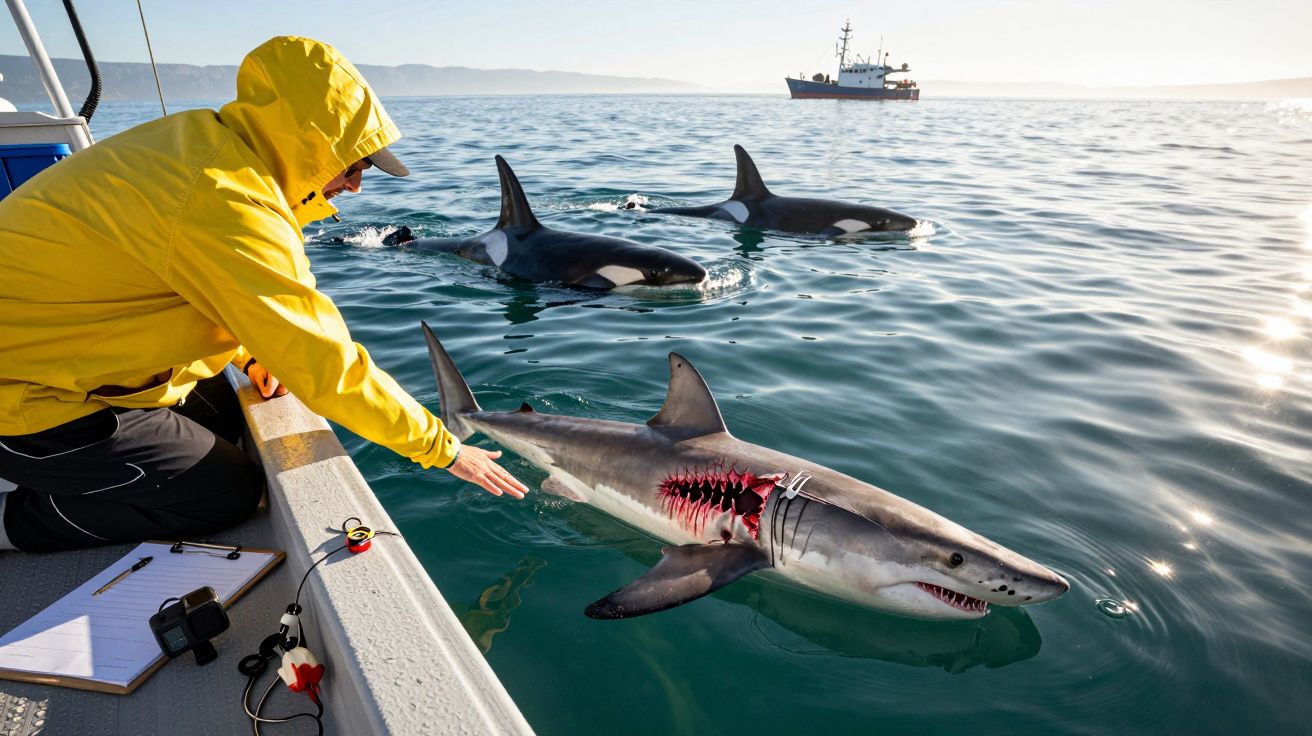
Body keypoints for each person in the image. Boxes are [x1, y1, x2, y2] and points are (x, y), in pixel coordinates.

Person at [0, 36, 527, 553]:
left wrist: (250, 353)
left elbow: (177, 285)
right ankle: (16, 520)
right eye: (357, 165)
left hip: (54, 354)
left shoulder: (204, 152)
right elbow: (325, 365)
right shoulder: (226, 200)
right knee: (223, 495)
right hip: (24, 395)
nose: (358, 186)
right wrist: (444, 450)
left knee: (226, 421)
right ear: (315, 147)